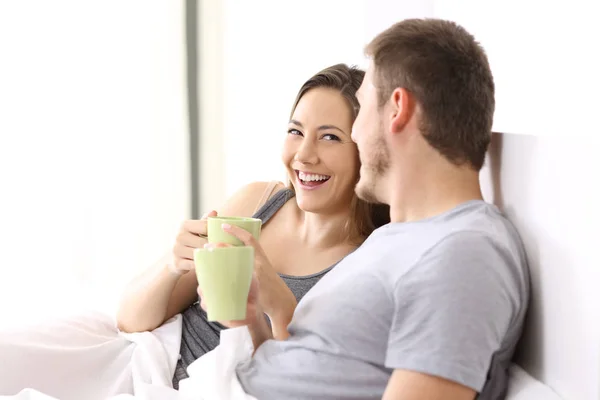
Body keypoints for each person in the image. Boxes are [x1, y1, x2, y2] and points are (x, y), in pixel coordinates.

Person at [201, 19, 531, 400]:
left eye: (359, 109)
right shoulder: (399, 237)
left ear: (398, 109)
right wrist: (254, 322)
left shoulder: (464, 255)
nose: (355, 133)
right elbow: (301, 371)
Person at [115, 63, 390, 389]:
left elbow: (310, 384)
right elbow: (130, 321)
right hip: (151, 371)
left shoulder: (370, 259)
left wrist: (281, 306)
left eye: (330, 137)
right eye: (296, 131)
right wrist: (172, 266)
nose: (304, 155)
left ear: (367, 149)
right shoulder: (259, 202)